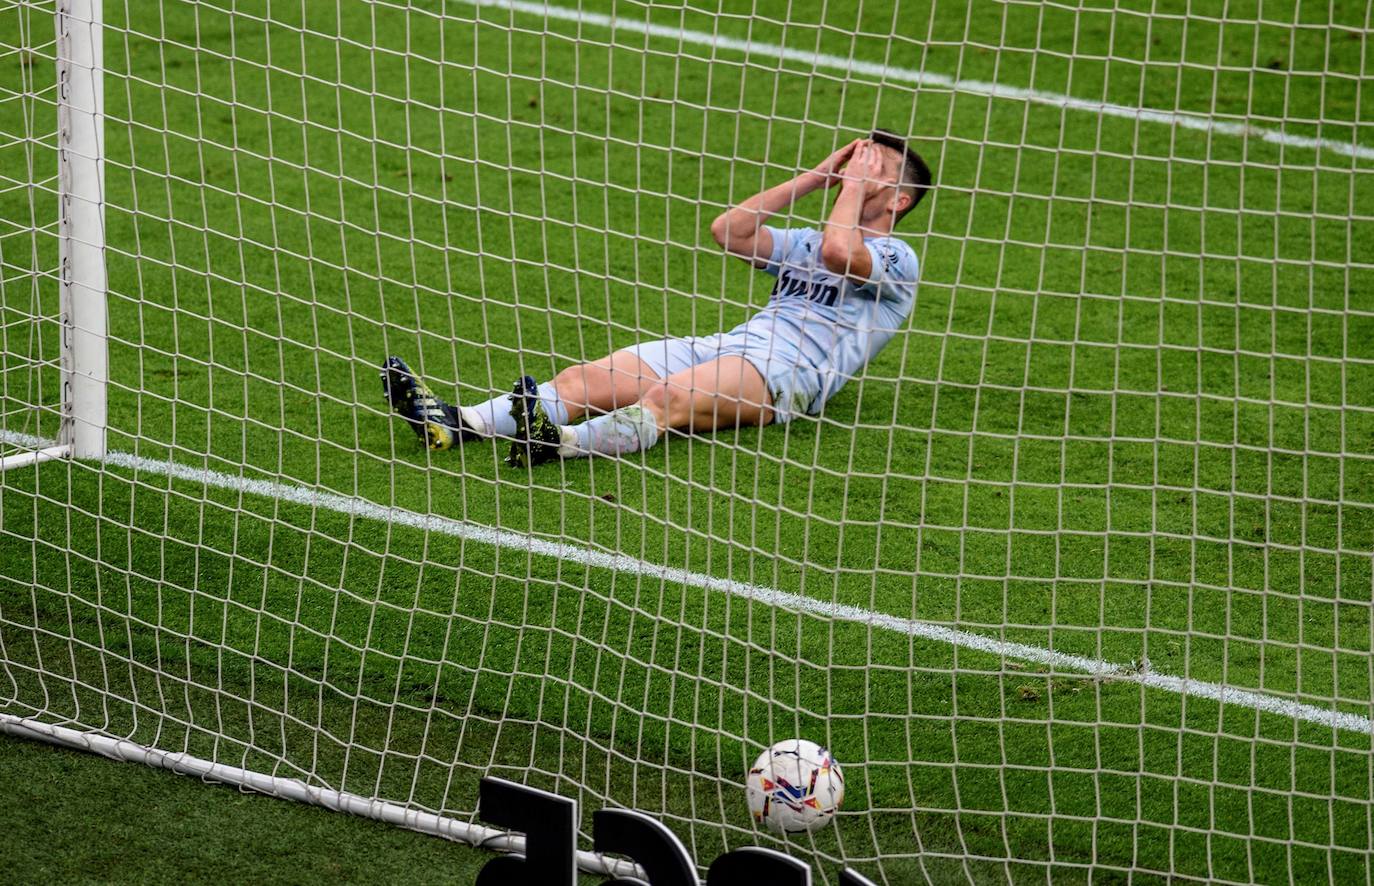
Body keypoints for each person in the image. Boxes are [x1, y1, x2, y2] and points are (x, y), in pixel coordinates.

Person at [382, 129, 932, 468]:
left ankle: (562, 444)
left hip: (787, 377)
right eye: (856, 160)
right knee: (585, 378)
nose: (856, 169)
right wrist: (815, 179)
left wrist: (854, 188)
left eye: (873, 166)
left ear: (900, 198)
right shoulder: (808, 240)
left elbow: (842, 253)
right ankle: (457, 422)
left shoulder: (898, 259)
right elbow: (731, 231)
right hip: (730, 345)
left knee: (672, 396)